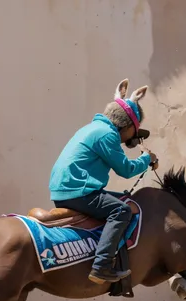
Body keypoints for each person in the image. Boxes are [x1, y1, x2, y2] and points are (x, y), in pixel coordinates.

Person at [49, 79, 159, 284]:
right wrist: (147, 159)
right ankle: (101, 266)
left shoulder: (93, 128)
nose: (131, 138)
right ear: (127, 126)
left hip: (66, 190)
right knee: (122, 210)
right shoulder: (107, 135)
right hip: (78, 192)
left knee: (126, 199)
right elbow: (125, 170)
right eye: (133, 132)